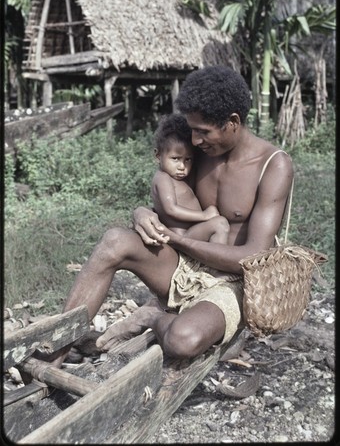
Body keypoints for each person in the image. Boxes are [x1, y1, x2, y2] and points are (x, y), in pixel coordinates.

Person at [52, 65, 293, 366]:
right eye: (192, 130)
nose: (194, 140)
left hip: (232, 281)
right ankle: (54, 354)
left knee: (182, 340)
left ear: (233, 122)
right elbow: (176, 209)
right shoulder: (202, 154)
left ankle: (153, 316)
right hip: (183, 266)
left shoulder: (273, 165)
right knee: (115, 241)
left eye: (203, 131)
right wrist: (141, 213)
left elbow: (254, 255)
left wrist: (179, 241)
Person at [151, 113, 230, 243]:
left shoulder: (177, 179)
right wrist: (204, 215)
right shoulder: (163, 178)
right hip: (182, 236)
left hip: (190, 233)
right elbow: (171, 209)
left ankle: (213, 258)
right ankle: (218, 262)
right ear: (158, 156)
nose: (182, 166)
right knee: (220, 224)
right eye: (175, 159)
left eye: (187, 159)